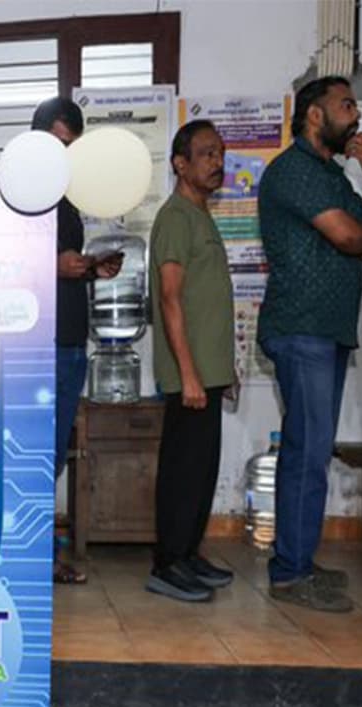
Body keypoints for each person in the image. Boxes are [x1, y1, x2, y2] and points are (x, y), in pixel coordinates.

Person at [258, 76, 362, 612]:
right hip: (301, 328)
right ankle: (290, 571)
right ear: (315, 116)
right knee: (307, 453)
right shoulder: (293, 171)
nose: (355, 116)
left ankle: (299, 561)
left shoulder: (335, 178)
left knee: (312, 451)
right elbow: (355, 239)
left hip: (328, 331)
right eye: (346, 105)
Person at [31, 98, 123, 585]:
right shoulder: (19, 195)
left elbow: (66, 265)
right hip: (34, 348)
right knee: (34, 458)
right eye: (60, 144)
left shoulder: (68, 200)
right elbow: (3, 265)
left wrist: (91, 269)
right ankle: (34, 558)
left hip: (69, 342)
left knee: (52, 456)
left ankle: (40, 554)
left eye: (73, 149)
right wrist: (56, 265)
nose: (65, 157)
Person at [145, 121, 237, 603]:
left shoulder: (200, 215)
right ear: (180, 164)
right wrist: (188, 373)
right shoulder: (176, 217)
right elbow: (171, 298)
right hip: (189, 376)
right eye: (206, 154)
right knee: (183, 471)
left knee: (202, 471)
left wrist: (227, 370)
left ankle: (187, 553)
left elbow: (208, 303)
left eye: (220, 154)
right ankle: (166, 563)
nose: (216, 162)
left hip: (207, 373)